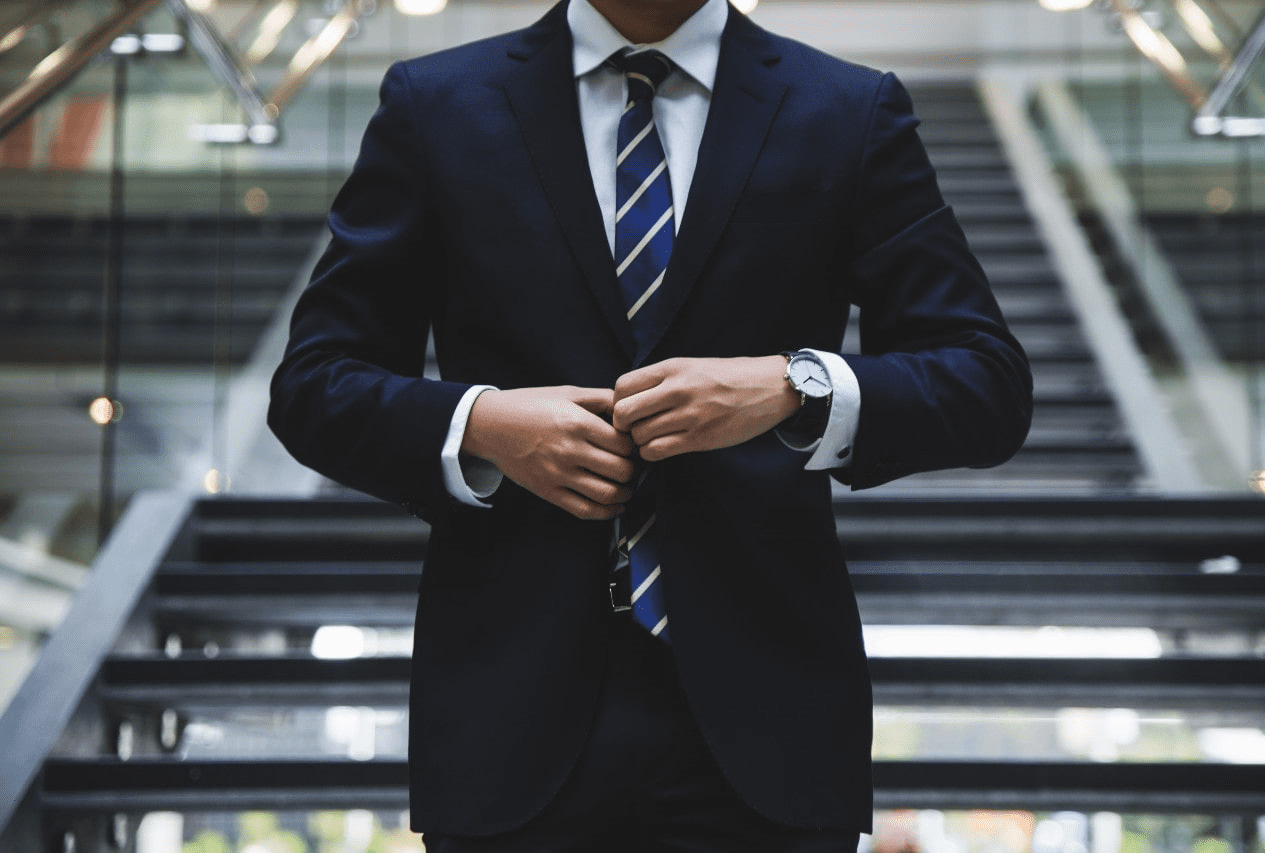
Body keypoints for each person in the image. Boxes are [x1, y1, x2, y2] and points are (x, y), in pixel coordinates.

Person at [268, 0, 1033, 846]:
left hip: (768, 728)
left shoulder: (847, 108)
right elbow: (313, 383)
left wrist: (795, 385)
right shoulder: (437, 103)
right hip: (508, 718)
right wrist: (480, 422)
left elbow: (985, 381)